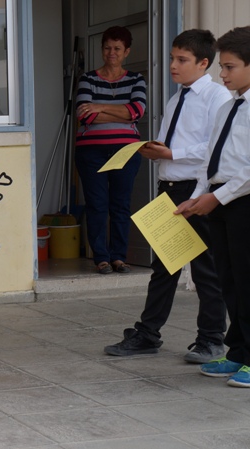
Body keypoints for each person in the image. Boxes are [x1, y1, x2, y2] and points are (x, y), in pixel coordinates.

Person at [104, 29, 230, 363]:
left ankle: (211, 339)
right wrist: (154, 150)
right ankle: (147, 334)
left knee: (205, 269)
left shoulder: (216, 97)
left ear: (203, 63)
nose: (173, 65)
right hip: (170, 190)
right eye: (172, 58)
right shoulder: (177, 98)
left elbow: (216, 147)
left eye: (182, 60)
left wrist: (173, 153)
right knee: (164, 266)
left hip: (197, 189)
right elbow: (170, 144)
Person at [177, 26, 250, 388]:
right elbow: (212, 159)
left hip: (243, 201)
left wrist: (216, 198)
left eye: (230, 67)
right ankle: (238, 351)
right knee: (229, 280)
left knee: (248, 281)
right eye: (222, 66)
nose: (222, 74)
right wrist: (199, 194)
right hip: (219, 201)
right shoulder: (228, 106)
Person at [75, 26, 147, 274]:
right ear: (102, 49)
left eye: (117, 48)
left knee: (120, 205)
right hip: (91, 152)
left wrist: (100, 107)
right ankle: (101, 258)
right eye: (107, 47)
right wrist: (122, 113)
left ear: (127, 51)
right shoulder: (88, 79)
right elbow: (85, 116)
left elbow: (137, 112)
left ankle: (118, 257)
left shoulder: (136, 79)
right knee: (96, 204)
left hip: (126, 151)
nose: (111, 52)